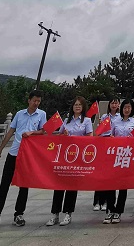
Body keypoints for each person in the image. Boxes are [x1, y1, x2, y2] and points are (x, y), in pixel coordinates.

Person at [0, 90, 46, 229]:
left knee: (24, 185)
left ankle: (19, 214)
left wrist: (32, 132)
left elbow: (44, 131)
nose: (36, 103)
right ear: (29, 100)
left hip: (28, 156)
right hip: (14, 153)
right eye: (34, 100)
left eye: (38, 101)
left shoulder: (42, 114)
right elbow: (10, 132)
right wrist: (0, 150)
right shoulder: (20, 114)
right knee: (4, 185)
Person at [46, 97, 93, 227]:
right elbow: (58, 137)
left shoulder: (87, 121)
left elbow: (90, 139)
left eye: (79, 105)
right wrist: (64, 136)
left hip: (77, 158)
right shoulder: (66, 120)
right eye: (75, 104)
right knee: (59, 185)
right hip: (64, 158)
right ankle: (55, 213)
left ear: (83, 107)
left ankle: (68, 213)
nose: (77, 107)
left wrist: (76, 139)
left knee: (72, 186)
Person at [103, 98, 134, 224]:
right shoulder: (115, 122)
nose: (127, 109)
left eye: (129, 107)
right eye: (125, 107)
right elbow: (109, 136)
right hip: (115, 157)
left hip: (127, 157)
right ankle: (110, 210)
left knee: (123, 185)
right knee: (111, 184)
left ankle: (118, 211)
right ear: (121, 108)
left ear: (132, 109)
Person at [96, 97, 120, 215]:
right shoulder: (104, 117)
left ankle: (110, 201)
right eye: (112, 102)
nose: (114, 105)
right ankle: (100, 201)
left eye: (116, 103)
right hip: (104, 145)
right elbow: (98, 133)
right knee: (102, 174)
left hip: (116, 147)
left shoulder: (121, 118)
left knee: (113, 175)